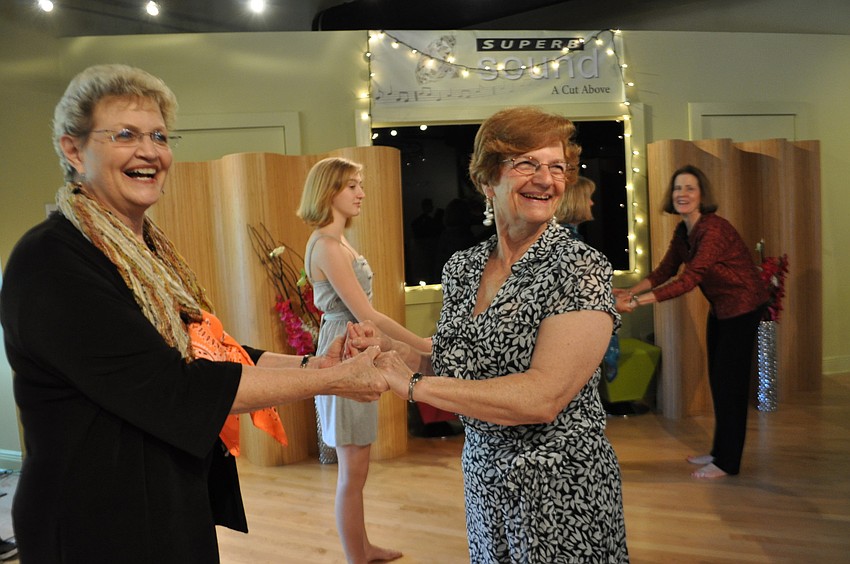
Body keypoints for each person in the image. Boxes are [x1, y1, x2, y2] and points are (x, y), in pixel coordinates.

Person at [0, 64, 391, 564]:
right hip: (95, 522)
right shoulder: (52, 260)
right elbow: (176, 386)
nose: (149, 151)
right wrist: (331, 380)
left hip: (168, 502)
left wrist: (315, 364)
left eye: (159, 136)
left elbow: (213, 349)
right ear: (73, 150)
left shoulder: (147, 252)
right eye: (125, 135)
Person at [350, 106, 628, 562]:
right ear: (487, 179)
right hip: (484, 479)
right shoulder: (462, 268)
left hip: (560, 489)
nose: (546, 179)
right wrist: (388, 350)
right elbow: (454, 363)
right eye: (527, 163)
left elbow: (542, 397)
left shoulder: (580, 268)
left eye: (557, 167)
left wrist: (414, 386)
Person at [296, 157, 430, 564]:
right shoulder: (326, 245)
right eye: (352, 186)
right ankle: (358, 555)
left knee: (357, 468)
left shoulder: (337, 243)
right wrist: (421, 344)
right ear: (329, 190)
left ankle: (363, 547)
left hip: (354, 346)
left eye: (360, 185)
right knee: (352, 471)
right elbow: (366, 314)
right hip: (344, 350)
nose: (361, 194)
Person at [614, 164, 769, 479]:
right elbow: (664, 271)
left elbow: (689, 280)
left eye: (689, 188)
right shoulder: (683, 232)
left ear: (701, 195)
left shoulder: (713, 230)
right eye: (677, 188)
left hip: (744, 307)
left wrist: (637, 303)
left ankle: (727, 463)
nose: (682, 194)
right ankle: (719, 451)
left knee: (730, 385)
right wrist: (631, 292)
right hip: (721, 308)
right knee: (718, 381)